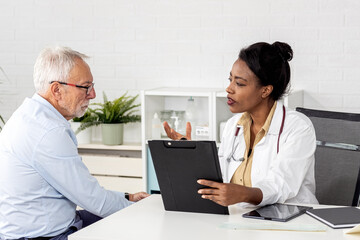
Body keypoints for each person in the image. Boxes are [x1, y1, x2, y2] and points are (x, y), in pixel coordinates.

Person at [0, 46, 149, 240]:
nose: (93, 94)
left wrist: (127, 198)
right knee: (140, 226)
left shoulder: (28, 115)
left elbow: (85, 193)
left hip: (44, 227)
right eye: (85, 86)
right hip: (45, 236)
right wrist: (144, 211)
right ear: (57, 90)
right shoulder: (48, 132)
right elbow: (95, 201)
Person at [164, 41, 318, 207]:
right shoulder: (233, 126)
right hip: (242, 220)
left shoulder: (298, 127)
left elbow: (282, 184)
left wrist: (242, 193)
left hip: (290, 221)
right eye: (230, 79)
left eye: (239, 83)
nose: (229, 89)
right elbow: (219, 179)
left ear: (265, 90)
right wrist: (190, 154)